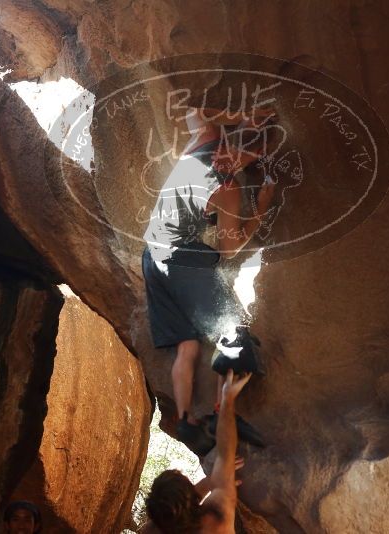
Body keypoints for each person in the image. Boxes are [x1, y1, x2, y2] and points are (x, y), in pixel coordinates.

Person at [142, 105, 276, 455]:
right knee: (234, 334)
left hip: (152, 255)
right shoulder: (229, 187)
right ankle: (222, 413)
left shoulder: (203, 140)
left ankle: (186, 420)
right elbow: (230, 251)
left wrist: (243, 116)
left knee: (187, 346)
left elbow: (192, 110)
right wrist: (260, 209)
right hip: (182, 258)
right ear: (257, 154)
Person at [144, 370, 251, 533]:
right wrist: (226, 400)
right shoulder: (218, 516)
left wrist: (212, 480)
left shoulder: (154, 529)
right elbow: (225, 451)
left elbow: (168, 515)